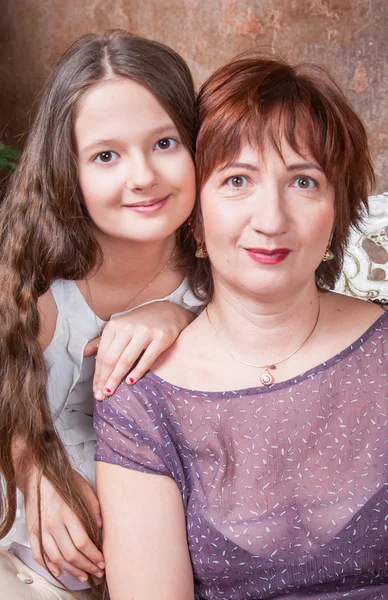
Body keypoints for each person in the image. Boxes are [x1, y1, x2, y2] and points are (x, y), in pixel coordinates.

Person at [95, 53, 388, 600]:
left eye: (303, 182)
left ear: (337, 212)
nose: (271, 219)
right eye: (237, 180)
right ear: (195, 220)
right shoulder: (140, 396)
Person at [0, 29, 200, 599]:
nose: (141, 176)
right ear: (69, 170)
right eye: (106, 155)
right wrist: (32, 470)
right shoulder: (38, 286)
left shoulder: (220, 280)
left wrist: (181, 319)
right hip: (21, 553)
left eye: (164, 143)